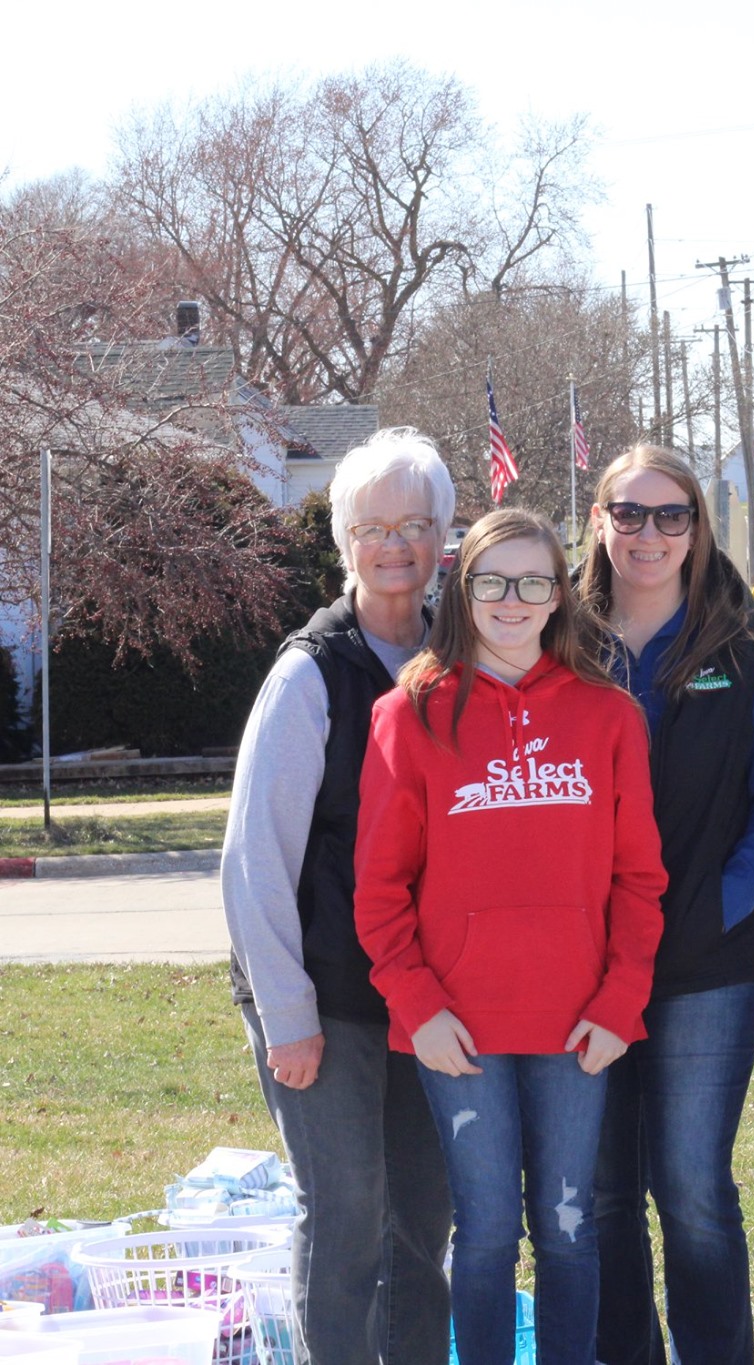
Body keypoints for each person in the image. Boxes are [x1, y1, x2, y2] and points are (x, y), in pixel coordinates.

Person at [354, 508, 667, 1364]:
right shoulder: (409, 713)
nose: (512, 599)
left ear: (561, 595)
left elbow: (640, 881)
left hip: (579, 1027)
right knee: (486, 1233)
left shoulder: (608, 716)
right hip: (458, 1031)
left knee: (569, 1230)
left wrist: (619, 1003)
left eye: (535, 581)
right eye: (493, 580)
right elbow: (379, 890)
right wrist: (418, 1007)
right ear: (463, 587)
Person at [221, 427, 455, 1365]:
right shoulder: (308, 674)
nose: (394, 545)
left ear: (445, 537)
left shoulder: (468, 659)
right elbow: (253, 862)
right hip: (322, 995)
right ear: (344, 542)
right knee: (350, 1216)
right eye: (372, 526)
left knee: (423, 1225)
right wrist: (288, 1014)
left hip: (431, 1002)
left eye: (416, 524)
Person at [580, 447, 754, 1364]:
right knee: (598, 1192)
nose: (650, 534)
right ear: (600, 522)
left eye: (672, 516)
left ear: (698, 528)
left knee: (691, 1185)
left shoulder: (747, 647)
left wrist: (717, 905)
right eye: (630, 514)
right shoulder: (559, 641)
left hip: (705, 962)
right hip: (580, 961)